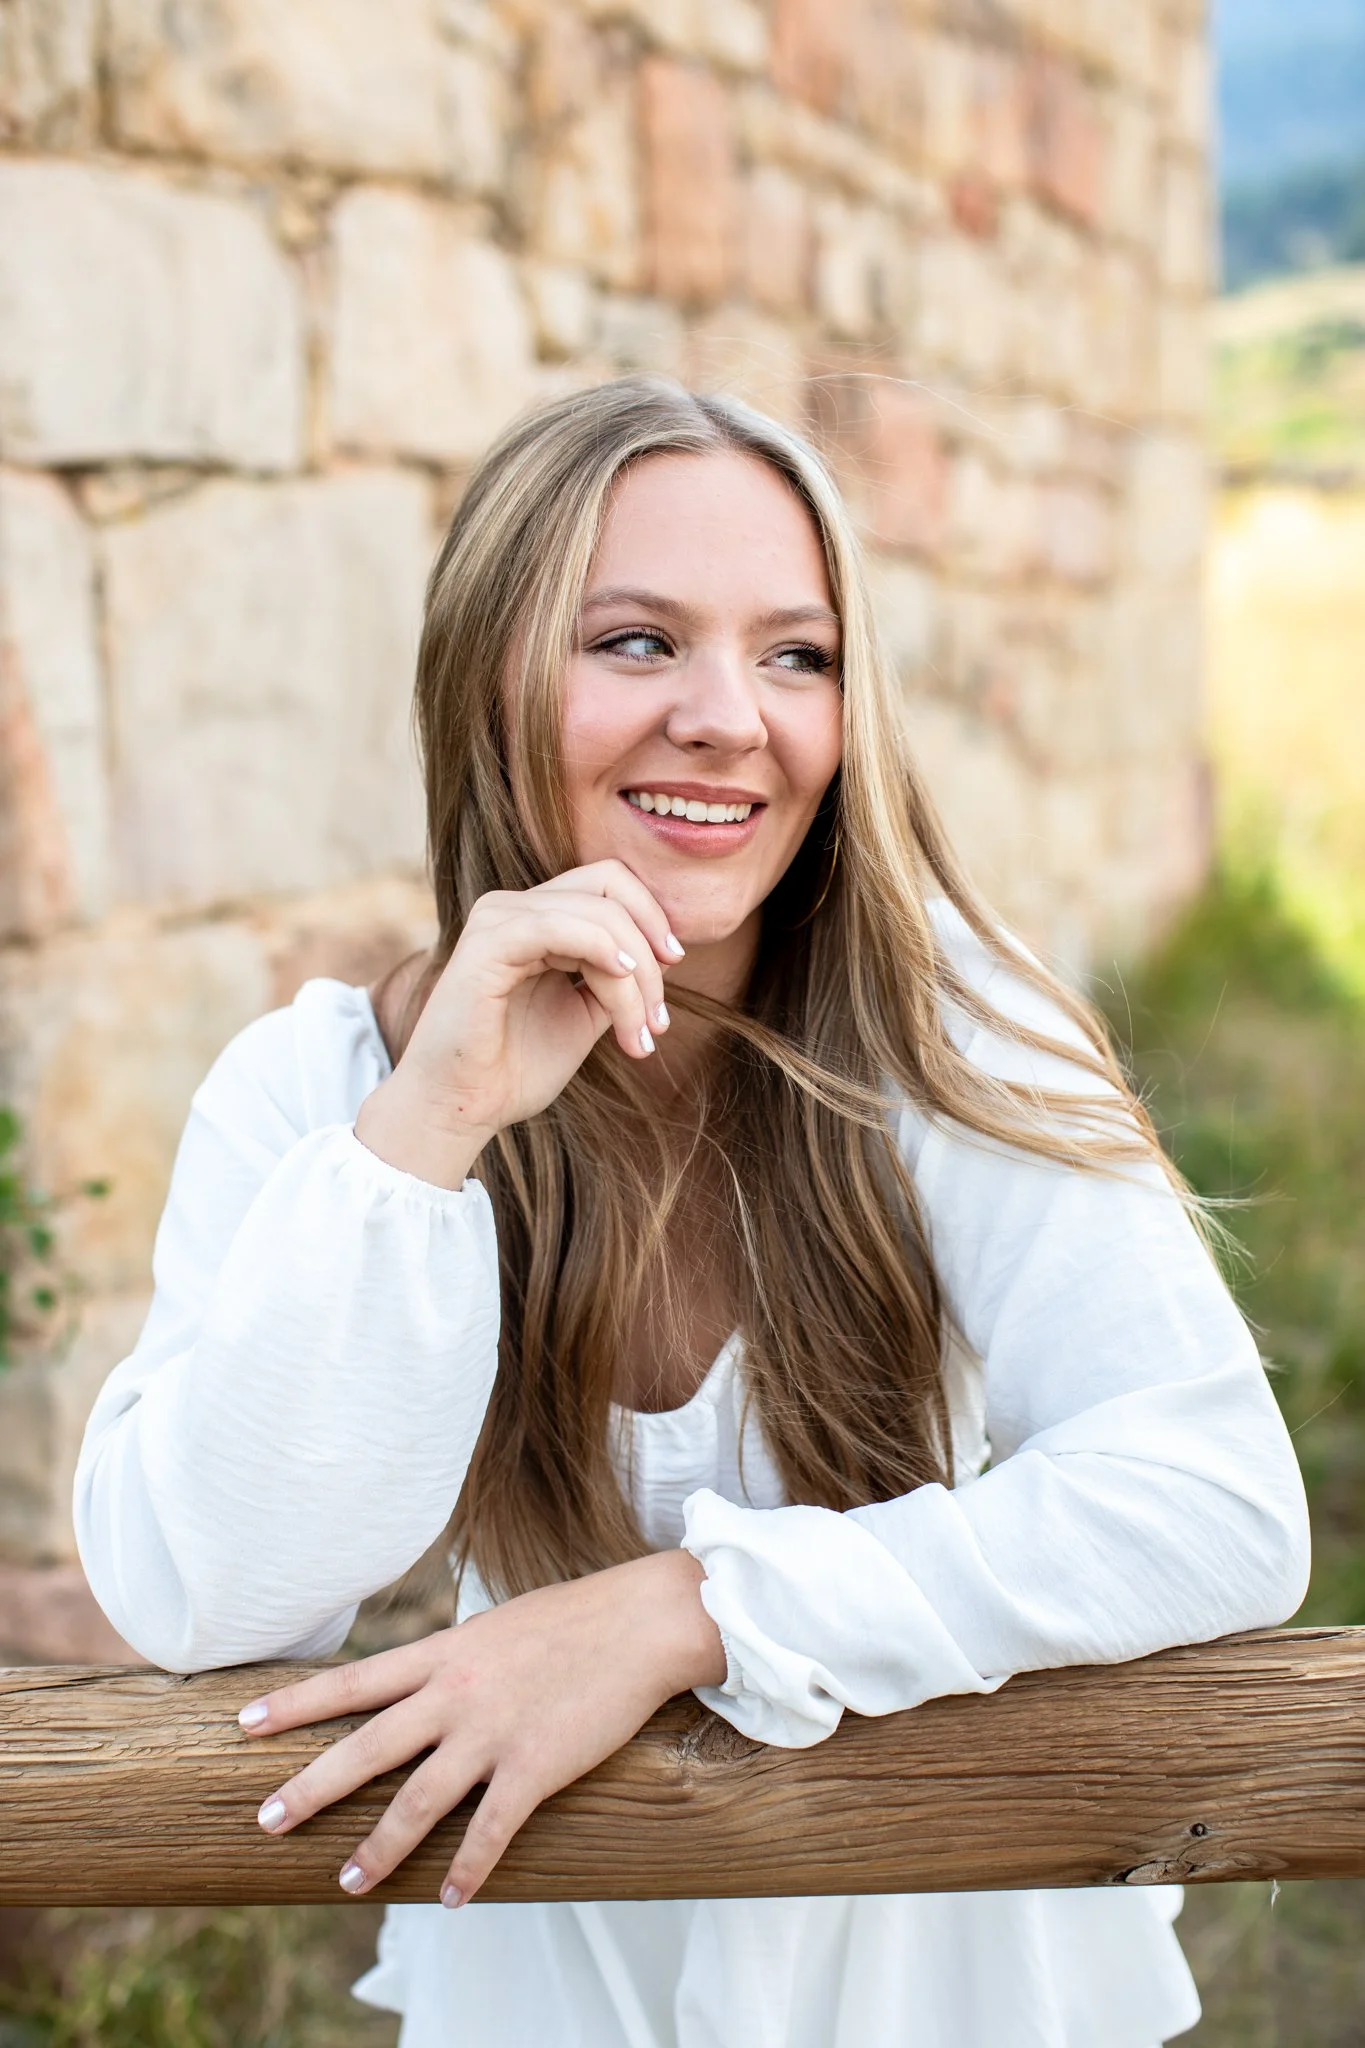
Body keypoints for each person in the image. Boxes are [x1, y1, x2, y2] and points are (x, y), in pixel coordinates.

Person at [75, 377, 1310, 2048]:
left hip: (942, 1976)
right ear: (489, 674)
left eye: (796, 654)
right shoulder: (316, 1095)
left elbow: (1217, 1506)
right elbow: (213, 1599)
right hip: (551, 1984)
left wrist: (688, 1609)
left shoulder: (953, 1041)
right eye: (638, 641)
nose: (732, 716)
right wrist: (425, 1135)